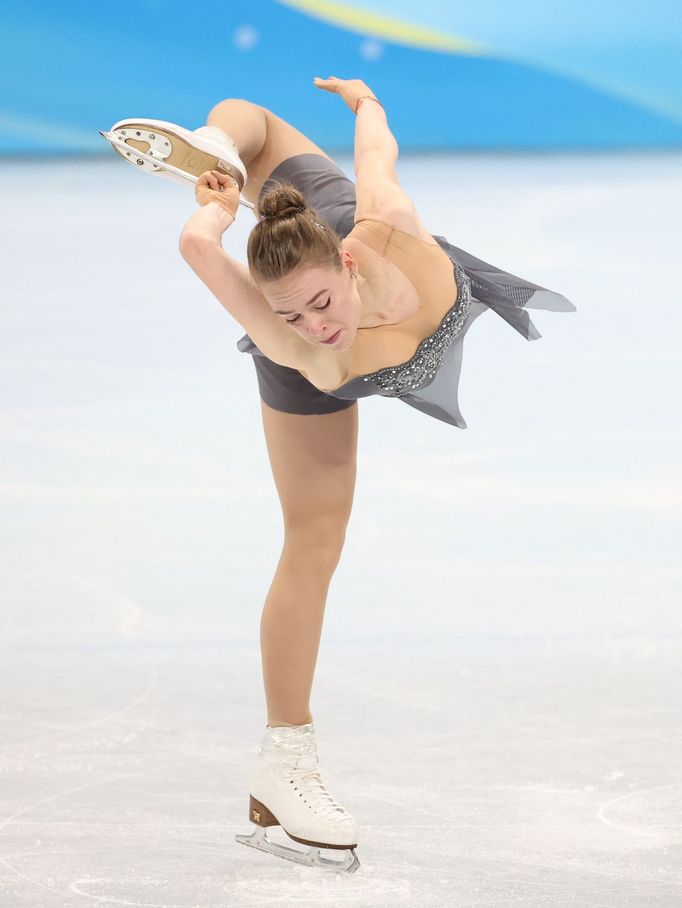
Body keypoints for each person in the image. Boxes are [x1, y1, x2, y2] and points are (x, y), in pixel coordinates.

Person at [101, 76, 575, 874]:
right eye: (292, 315)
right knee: (314, 539)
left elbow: (377, 156)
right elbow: (195, 250)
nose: (317, 324)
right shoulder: (300, 345)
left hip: (337, 219)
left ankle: (225, 145)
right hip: (319, 364)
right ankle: (285, 765)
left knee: (254, 123)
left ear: (349, 265)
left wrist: (367, 104)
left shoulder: (386, 230)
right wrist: (214, 211)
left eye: (321, 302)